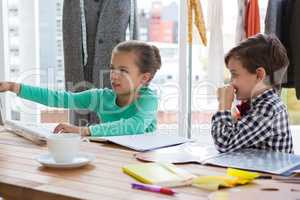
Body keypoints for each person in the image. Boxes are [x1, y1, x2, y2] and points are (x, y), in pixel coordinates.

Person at [0, 41, 161, 137]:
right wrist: (14, 87)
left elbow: (135, 126)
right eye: (112, 68)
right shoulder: (102, 97)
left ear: (144, 78)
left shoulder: (148, 99)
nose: (114, 76)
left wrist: (84, 131)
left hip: (143, 163)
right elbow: (61, 98)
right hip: (113, 159)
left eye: (123, 71)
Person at [211, 33, 293, 153]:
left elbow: (225, 143)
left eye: (234, 74)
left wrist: (224, 105)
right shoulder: (255, 103)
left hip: (269, 172)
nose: (231, 82)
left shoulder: (268, 108)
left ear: (259, 75)